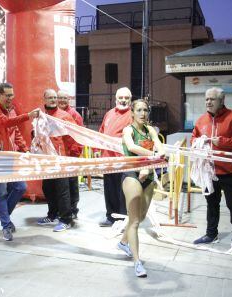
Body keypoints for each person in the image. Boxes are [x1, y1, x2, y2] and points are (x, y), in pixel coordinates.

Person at [192, 87, 232, 250]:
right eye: (206, 99)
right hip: (209, 170)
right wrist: (197, 143)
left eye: (212, 99)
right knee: (211, 203)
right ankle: (211, 234)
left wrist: (224, 142)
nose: (208, 102)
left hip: (230, 170)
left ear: (221, 100)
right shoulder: (201, 120)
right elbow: (194, 138)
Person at [117, 99, 165, 278]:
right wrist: (154, 154)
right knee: (135, 221)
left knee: (141, 216)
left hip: (148, 176)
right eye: (139, 110)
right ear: (132, 113)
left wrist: (158, 152)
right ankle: (137, 262)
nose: (143, 113)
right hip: (132, 175)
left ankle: (123, 242)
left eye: (145, 110)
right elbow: (132, 147)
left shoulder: (150, 130)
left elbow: (159, 146)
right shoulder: (128, 130)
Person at [0, 82, 39, 241]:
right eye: (8, 95)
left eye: (12, 95)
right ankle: (6, 225)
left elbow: (15, 133)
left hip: (11, 157)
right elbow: (6, 123)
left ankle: (4, 217)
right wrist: (28, 116)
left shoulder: (10, 110)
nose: (10, 98)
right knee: (1, 192)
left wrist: (26, 149)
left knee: (20, 187)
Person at [37, 89, 82, 231]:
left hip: (63, 159)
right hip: (48, 160)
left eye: (54, 97)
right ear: (44, 99)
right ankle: (52, 214)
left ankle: (66, 219)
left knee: (63, 190)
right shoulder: (41, 116)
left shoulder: (65, 116)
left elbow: (74, 137)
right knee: (48, 188)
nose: (53, 100)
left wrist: (73, 156)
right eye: (50, 97)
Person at [98, 87, 133, 227]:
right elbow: (101, 132)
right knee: (109, 189)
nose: (123, 100)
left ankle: (122, 219)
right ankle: (110, 216)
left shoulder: (134, 115)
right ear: (115, 98)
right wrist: (98, 150)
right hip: (108, 159)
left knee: (123, 191)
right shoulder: (108, 114)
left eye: (126, 98)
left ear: (130, 99)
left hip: (125, 160)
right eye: (121, 97)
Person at [57, 89, 84, 218]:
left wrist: (75, 154)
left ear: (69, 100)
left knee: (72, 183)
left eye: (64, 98)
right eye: (59, 98)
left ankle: (73, 210)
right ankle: (61, 210)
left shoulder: (75, 115)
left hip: (71, 155)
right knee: (61, 186)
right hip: (58, 155)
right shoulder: (54, 113)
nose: (62, 100)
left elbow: (80, 135)